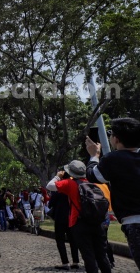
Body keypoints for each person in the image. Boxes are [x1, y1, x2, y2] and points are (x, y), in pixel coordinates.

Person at [86, 117, 140, 270]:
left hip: (134, 222)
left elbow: (93, 175)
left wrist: (94, 156)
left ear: (116, 139)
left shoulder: (113, 158)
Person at [47, 160, 111, 273]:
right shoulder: (93, 183)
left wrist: (57, 176)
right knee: (101, 256)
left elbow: (50, 186)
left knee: (88, 256)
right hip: (97, 222)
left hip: (79, 222)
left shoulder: (70, 183)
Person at [48, 184, 80, 270]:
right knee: (73, 240)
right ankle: (75, 261)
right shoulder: (73, 191)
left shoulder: (58, 192)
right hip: (71, 217)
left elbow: (50, 204)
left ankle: (65, 262)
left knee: (60, 240)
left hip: (60, 218)